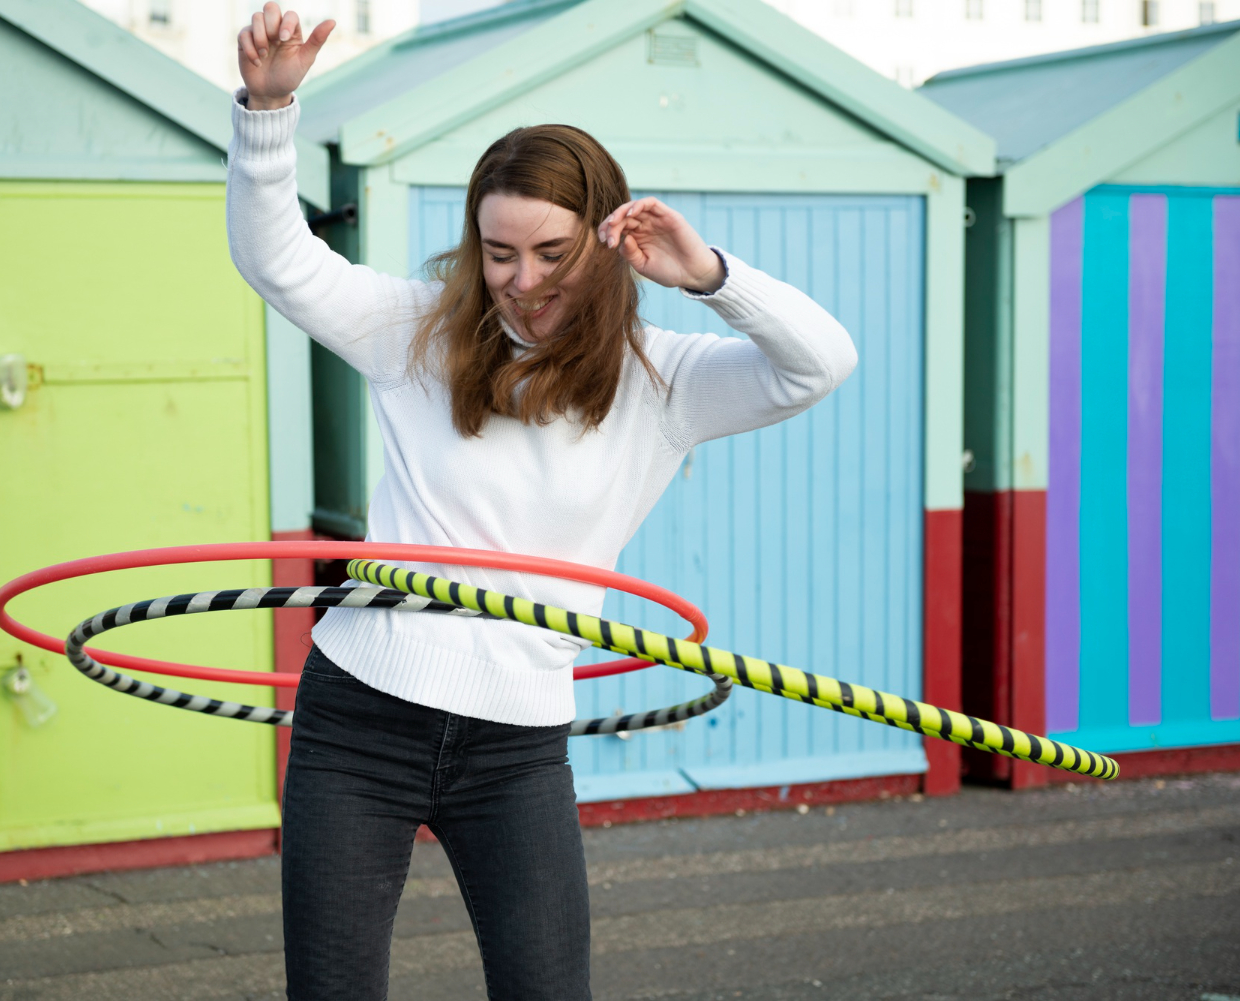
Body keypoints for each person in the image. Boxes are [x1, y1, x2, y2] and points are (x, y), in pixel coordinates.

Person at [229, 5, 858, 998]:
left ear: (608, 240)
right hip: (360, 721)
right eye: (499, 251)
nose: (521, 281)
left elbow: (821, 363)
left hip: (514, 744)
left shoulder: (666, 382)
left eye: (552, 252)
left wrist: (710, 277)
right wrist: (269, 114)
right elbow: (279, 262)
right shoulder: (415, 336)